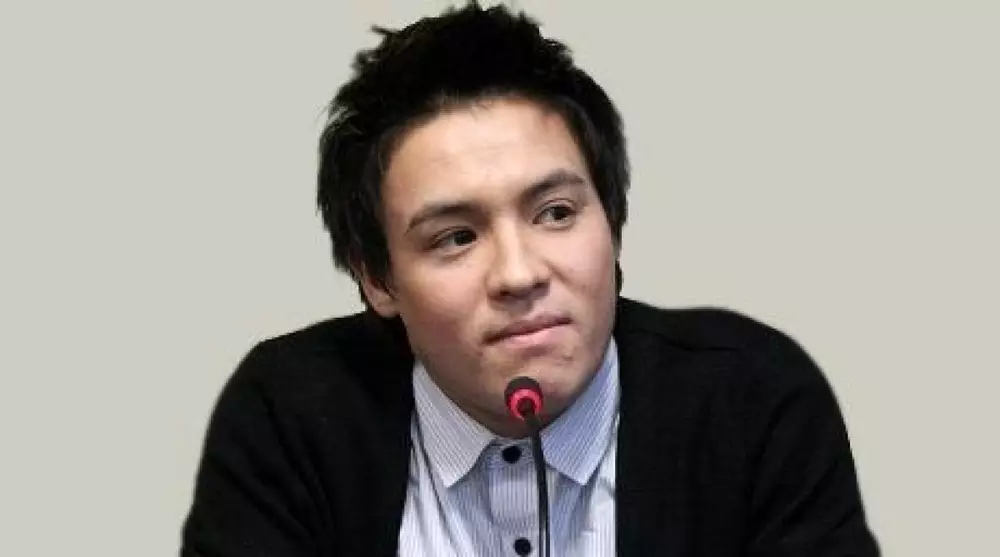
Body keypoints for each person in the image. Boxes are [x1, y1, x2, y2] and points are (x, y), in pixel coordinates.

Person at [181, 3, 880, 556]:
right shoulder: (290, 418)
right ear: (378, 280)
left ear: (613, 221)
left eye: (556, 213)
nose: (519, 274)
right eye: (456, 237)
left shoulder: (753, 402)